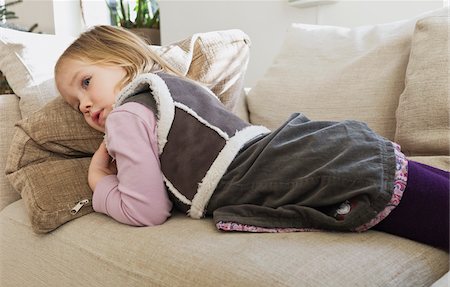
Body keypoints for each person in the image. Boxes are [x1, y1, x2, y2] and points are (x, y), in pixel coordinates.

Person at [55, 25, 449, 252]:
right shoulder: (173, 87)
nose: (86, 105)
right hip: (292, 143)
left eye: (86, 83)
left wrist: (100, 183)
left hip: (268, 169)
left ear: (121, 61)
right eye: (76, 105)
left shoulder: (126, 115)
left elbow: (146, 209)